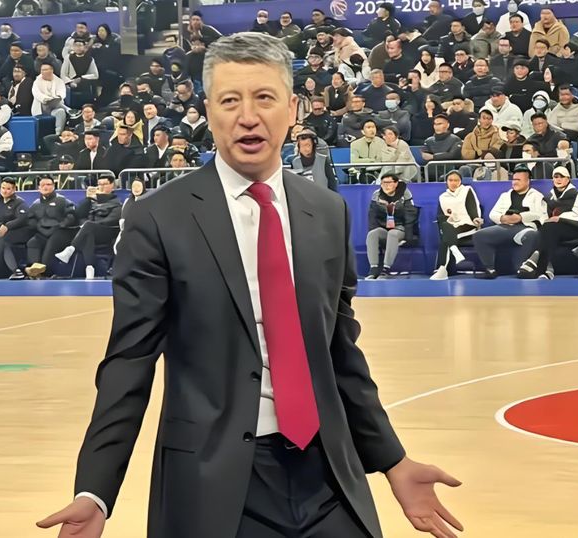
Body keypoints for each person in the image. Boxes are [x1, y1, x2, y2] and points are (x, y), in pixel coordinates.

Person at [37, 32, 463, 538]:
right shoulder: (158, 217)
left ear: (293, 109)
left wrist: (392, 461)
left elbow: (339, 352)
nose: (248, 116)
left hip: (327, 474)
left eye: (264, 98)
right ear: (208, 111)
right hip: (213, 479)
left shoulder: (327, 211)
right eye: (229, 101)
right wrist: (96, 490)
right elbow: (129, 361)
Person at [473, 164, 547, 278]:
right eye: (514, 179)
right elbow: (493, 214)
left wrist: (521, 217)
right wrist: (503, 218)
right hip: (505, 227)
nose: (515, 182)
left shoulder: (536, 196)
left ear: (527, 181)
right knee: (479, 235)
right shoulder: (505, 195)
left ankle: (522, 268)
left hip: (525, 228)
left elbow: (541, 215)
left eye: (518, 180)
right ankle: (490, 269)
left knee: (532, 235)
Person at [517, 166, 578, 279]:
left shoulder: (577, 194)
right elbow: (543, 215)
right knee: (548, 229)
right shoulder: (548, 197)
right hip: (553, 229)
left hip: (575, 227)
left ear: (568, 179)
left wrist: (559, 218)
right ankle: (545, 269)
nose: (558, 179)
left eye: (561, 177)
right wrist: (547, 220)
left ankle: (537, 262)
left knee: (549, 229)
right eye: (556, 177)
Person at [55, 175, 122, 279]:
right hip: (90, 231)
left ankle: (70, 249)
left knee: (88, 226)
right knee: (88, 235)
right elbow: (78, 214)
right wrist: (88, 198)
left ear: (112, 186)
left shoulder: (117, 203)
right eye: (99, 184)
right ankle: (89, 269)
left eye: (104, 184)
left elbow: (111, 220)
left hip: (108, 232)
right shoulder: (93, 202)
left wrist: (91, 225)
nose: (101, 187)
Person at [431, 170, 482, 280]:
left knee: (446, 238)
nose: (453, 183)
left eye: (456, 180)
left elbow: (473, 207)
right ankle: (453, 252)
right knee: (445, 227)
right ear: (446, 182)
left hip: (467, 225)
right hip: (451, 226)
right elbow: (440, 216)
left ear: (460, 182)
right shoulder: (442, 197)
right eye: (450, 180)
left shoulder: (467, 190)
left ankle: (441, 269)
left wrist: (475, 218)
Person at [365, 174, 418, 279]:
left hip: (400, 227)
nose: (386, 185)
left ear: (396, 183)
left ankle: (386, 269)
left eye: (389, 182)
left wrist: (409, 238)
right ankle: (373, 268)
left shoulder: (405, 194)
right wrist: (374, 230)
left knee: (392, 233)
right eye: (383, 183)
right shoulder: (377, 195)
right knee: (372, 234)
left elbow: (410, 216)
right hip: (384, 227)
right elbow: (372, 216)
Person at [24, 175, 77, 279]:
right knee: (32, 242)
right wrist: (37, 226)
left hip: (60, 232)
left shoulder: (62, 200)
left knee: (51, 243)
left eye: (48, 184)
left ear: (53, 186)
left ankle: (45, 272)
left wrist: (62, 225)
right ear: (39, 188)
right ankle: (33, 271)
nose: (45, 187)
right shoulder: (35, 204)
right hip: (42, 232)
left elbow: (71, 215)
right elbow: (30, 219)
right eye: (43, 185)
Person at [0, 177, 32, 280]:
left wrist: (7, 226)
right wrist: (1, 227)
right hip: (6, 233)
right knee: (5, 242)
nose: (5, 191)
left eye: (8, 189)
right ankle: (16, 271)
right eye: (3, 188)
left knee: (2, 236)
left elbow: (22, 219)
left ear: (14, 189)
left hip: (22, 231)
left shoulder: (20, 202)